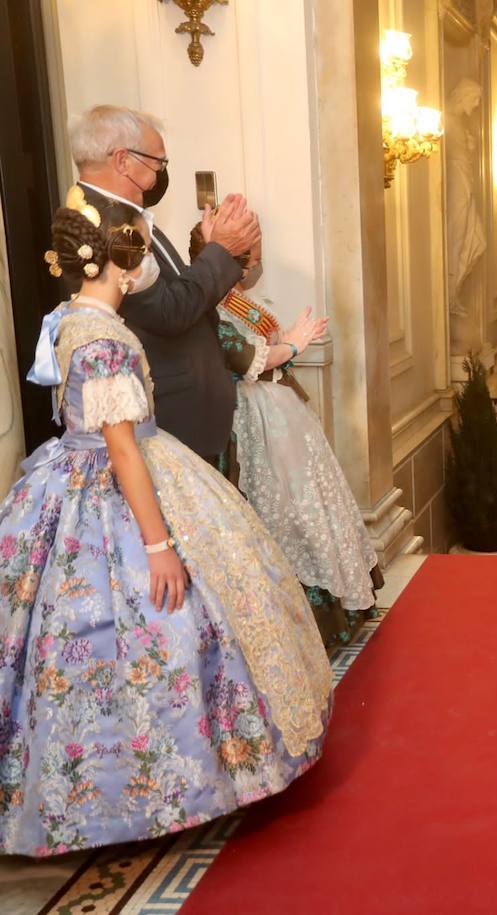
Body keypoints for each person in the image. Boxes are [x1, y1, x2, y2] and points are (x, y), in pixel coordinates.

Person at [0, 196, 331, 856]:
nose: (151, 266)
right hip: (116, 489)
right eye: (145, 253)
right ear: (123, 264)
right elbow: (121, 446)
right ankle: (148, 788)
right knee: (156, 622)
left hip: (83, 472)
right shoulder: (101, 336)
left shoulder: (71, 320)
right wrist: (157, 546)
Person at [191, 225, 384, 646]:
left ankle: (338, 598)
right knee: (279, 507)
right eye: (249, 258)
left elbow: (264, 345)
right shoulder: (208, 309)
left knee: (308, 502)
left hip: (276, 412)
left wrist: (289, 339)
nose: (255, 265)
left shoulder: (237, 302)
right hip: (248, 419)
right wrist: (293, 346)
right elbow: (245, 360)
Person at [68, 106, 261, 463]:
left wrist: (215, 251)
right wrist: (220, 250)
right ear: (124, 160)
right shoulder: (109, 226)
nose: (160, 173)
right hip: (168, 418)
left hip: (188, 411)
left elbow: (172, 293)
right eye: (158, 162)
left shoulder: (121, 213)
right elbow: (169, 312)